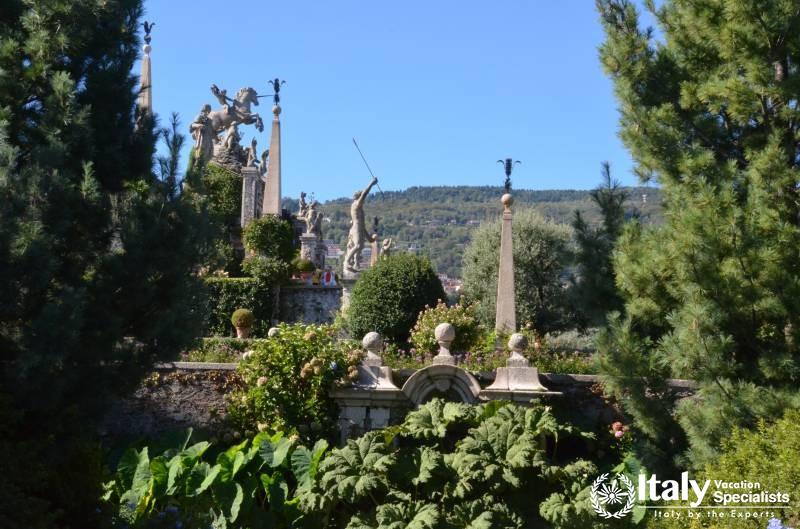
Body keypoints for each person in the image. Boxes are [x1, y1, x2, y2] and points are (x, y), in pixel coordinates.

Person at [344, 177, 378, 274]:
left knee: (360, 246)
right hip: (356, 227)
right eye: (360, 196)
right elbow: (364, 194)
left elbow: (362, 226)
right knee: (358, 245)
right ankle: (347, 262)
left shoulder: (358, 207)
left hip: (359, 227)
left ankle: (355, 264)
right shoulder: (356, 204)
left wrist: (369, 238)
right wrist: (371, 183)